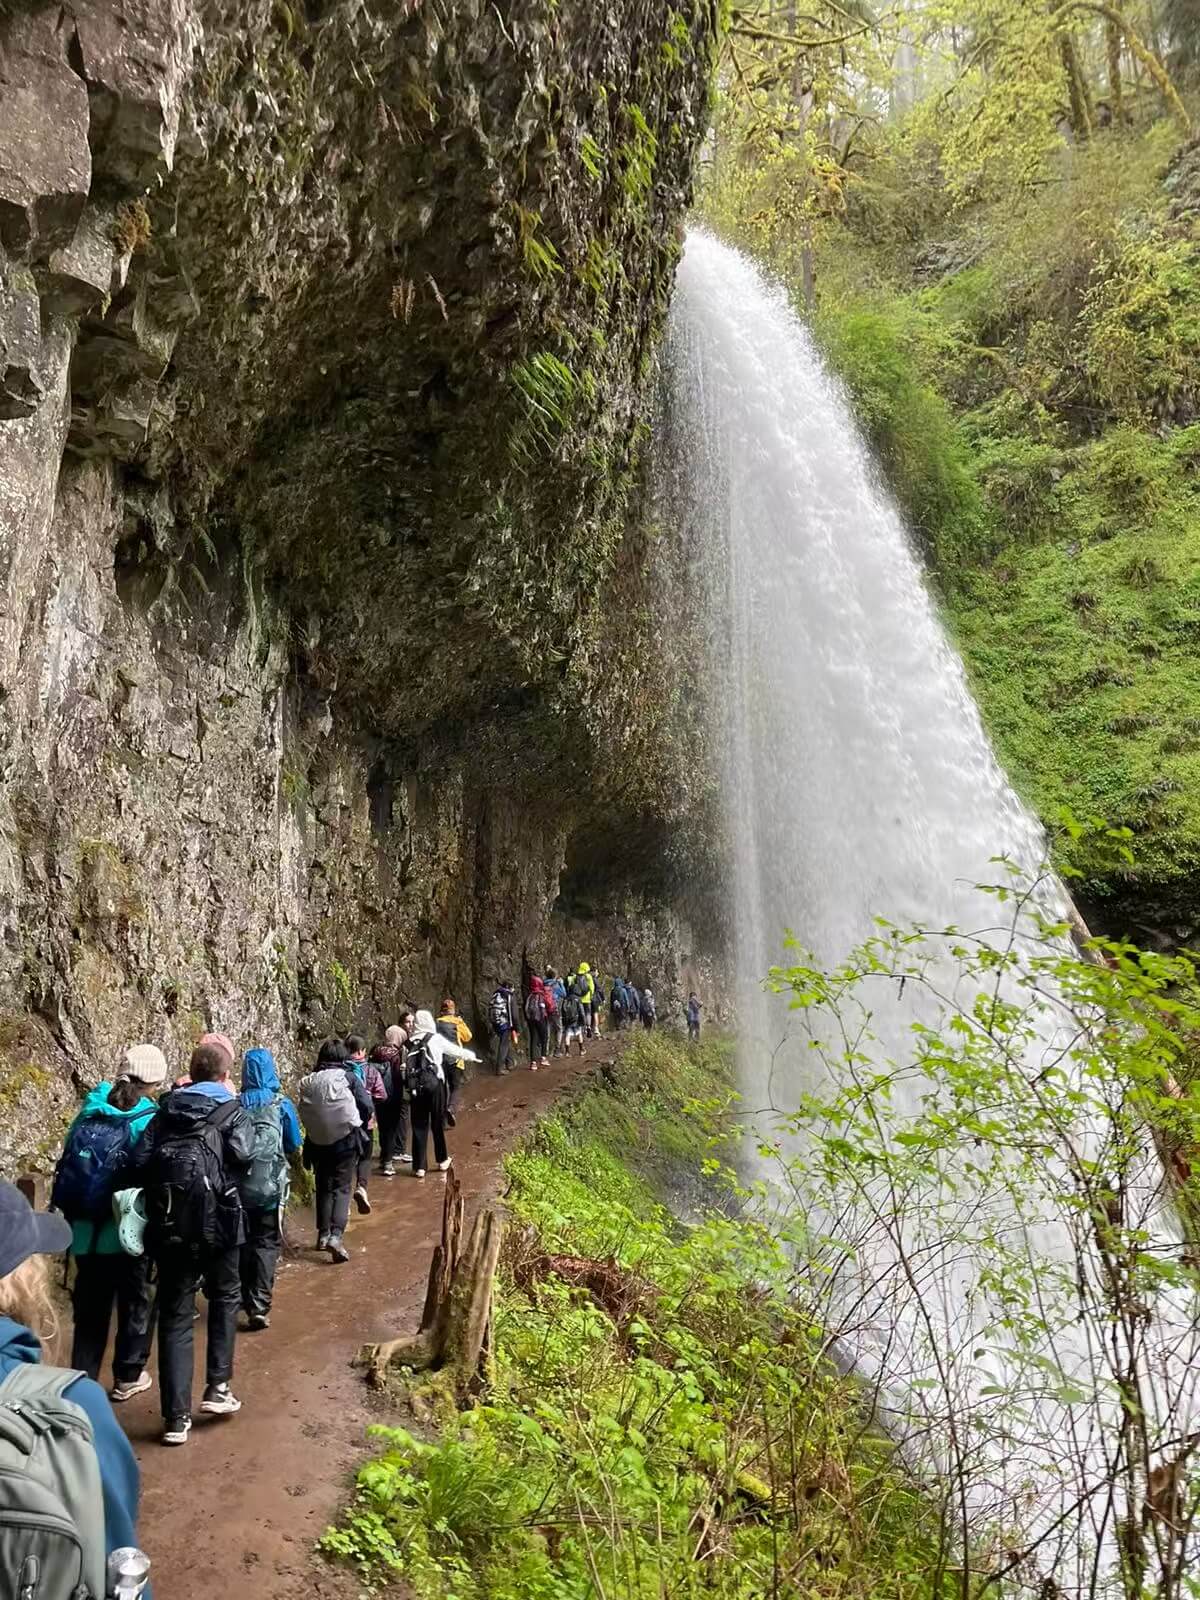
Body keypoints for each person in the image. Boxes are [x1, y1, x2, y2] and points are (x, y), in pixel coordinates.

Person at [0, 1179, 144, 1571]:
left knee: (91, 1315)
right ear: (19, 1277)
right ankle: (128, 1373)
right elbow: (117, 1557)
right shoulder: (76, 1409)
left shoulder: (89, 1125)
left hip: (88, 1237)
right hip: (124, 1241)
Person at [132, 1041, 255, 1446]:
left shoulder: (165, 1110)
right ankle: (218, 1387)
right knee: (225, 1297)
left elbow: (139, 1160)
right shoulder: (233, 1110)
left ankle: (175, 1417)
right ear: (223, 1075)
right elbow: (244, 1154)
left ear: (192, 1072)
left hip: (170, 1223)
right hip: (221, 1221)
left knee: (175, 1313)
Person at [55, 1043, 166, 1401]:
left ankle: (82, 1380)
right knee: (135, 1300)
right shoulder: (148, 1118)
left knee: (90, 1304)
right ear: (155, 1080)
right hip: (125, 1227)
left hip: (84, 1227)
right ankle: (128, 1376)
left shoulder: (91, 1108)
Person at [237, 1048, 301, 1331]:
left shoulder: (233, 1103)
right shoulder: (280, 1103)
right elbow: (293, 1142)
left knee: (242, 1241)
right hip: (271, 1187)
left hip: (238, 1188)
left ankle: (241, 1294)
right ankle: (259, 1304)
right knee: (265, 1242)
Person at [297, 1037, 373, 1265]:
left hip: (317, 1142)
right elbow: (366, 1105)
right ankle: (336, 1237)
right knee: (341, 1187)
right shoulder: (347, 1077)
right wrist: (361, 1122)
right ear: (343, 1057)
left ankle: (322, 1235)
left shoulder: (307, 1081)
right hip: (345, 1141)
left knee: (323, 1187)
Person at [408, 1010, 478, 1177]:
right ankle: (441, 1160)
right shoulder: (435, 1039)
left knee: (419, 1125)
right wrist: (472, 1056)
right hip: (435, 1085)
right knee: (437, 1123)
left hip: (415, 1087)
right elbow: (454, 1051)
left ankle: (419, 1167)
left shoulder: (409, 1041)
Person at [344, 1035, 386, 1215]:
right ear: (362, 1051)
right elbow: (382, 1095)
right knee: (365, 1157)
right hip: (366, 1122)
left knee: (347, 1159)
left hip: (345, 1122)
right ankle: (361, 1187)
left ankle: (343, 1201)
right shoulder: (371, 1070)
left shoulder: (341, 1071)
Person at [371, 1020, 412, 1176]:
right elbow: (399, 1077)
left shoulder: (376, 1051)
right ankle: (388, 1163)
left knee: (382, 1127)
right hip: (394, 1095)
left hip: (378, 1096)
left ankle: (383, 1158)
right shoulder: (397, 1054)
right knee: (392, 1128)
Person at [435, 999, 474, 1124]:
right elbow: (468, 1037)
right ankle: (451, 1109)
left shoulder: (436, 1023)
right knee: (455, 1087)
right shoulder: (457, 1022)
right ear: (453, 1010)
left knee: (442, 1088)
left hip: (440, 1060)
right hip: (456, 1060)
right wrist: (461, 1022)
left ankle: (441, 1119)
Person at [489, 980, 518, 1075]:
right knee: (504, 1045)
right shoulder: (509, 996)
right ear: (510, 987)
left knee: (505, 1042)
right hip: (505, 1023)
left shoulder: (496, 994)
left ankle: (509, 1063)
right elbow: (514, 1014)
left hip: (495, 1022)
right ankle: (499, 1069)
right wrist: (516, 1027)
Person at [523, 975, 552, 1069]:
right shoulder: (542, 995)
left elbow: (526, 1008)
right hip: (541, 1018)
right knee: (544, 1037)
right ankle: (543, 1058)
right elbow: (549, 1005)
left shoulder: (529, 995)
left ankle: (533, 1063)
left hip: (531, 1020)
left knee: (533, 1039)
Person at [561, 985, 587, 1056]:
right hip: (576, 1019)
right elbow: (582, 1012)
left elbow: (562, 1010)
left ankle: (567, 1052)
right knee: (579, 1034)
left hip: (567, 1020)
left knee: (567, 1035)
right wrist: (584, 1022)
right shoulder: (578, 999)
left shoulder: (566, 999)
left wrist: (563, 1021)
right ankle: (581, 1050)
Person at [546, 967, 567, 1055]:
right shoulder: (556, 985)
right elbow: (564, 994)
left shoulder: (544, 983)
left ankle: (545, 1050)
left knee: (547, 1029)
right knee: (559, 1028)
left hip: (545, 1010)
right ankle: (557, 1050)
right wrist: (561, 984)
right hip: (555, 1009)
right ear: (555, 976)